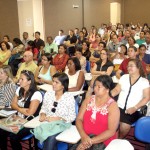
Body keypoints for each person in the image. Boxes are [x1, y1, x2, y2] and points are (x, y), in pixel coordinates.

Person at [73, 75, 120, 149]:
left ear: (107, 89)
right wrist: (84, 136)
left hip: (102, 141)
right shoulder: (88, 100)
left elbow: (111, 131)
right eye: (95, 85)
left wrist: (90, 142)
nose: (95, 88)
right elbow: (79, 119)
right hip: (84, 137)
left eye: (99, 86)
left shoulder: (113, 106)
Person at [0, 70, 43, 150]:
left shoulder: (36, 94)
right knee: (1, 131)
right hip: (17, 118)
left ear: (29, 81)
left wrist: (17, 108)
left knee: (13, 138)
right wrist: (22, 109)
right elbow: (13, 104)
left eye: (22, 79)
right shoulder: (19, 89)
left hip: (29, 122)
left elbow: (30, 112)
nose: (19, 81)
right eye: (19, 79)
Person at [111, 58, 150, 138]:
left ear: (138, 67)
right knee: (107, 119)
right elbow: (116, 90)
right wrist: (106, 96)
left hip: (133, 110)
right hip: (119, 107)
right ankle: (110, 137)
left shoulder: (144, 82)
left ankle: (119, 139)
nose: (129, 68)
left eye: (131, 66)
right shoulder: (124, 77)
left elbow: (146, 98)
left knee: (124, 126)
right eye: (128, 66)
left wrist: (135, 108)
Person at [39, 72, 76, 150]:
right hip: (48, 124)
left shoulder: (69, 98)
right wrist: (42, 114)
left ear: (63, 85)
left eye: (57, 82)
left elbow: (72, 117)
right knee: (48, 139)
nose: (53, 84)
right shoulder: (48, 94)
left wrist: (59, 118)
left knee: (50, 138)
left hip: (62, 124)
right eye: (53, 81)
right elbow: (43, 107)